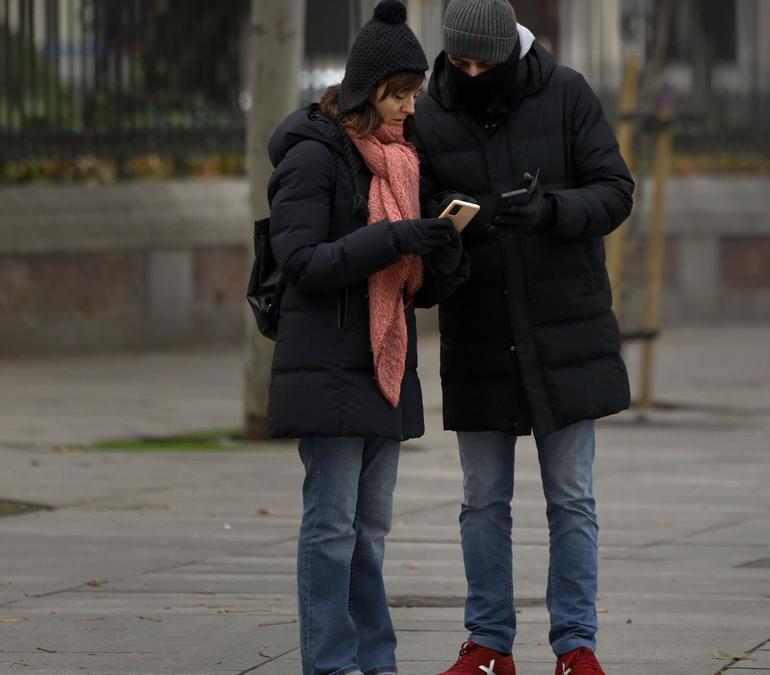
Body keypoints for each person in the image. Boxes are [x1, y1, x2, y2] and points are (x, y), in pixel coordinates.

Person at [411, 1, 636, 674]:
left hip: (564, 331)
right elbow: (418, 206)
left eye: (487, 62)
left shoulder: (566, 93)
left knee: (572, 497)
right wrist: (453, 226)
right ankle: (488, 642)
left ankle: (576, 645)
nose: (474, 74)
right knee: (482, 500)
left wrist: (550, 211)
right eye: (461, 62)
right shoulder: (429, 111)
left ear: (511, 50)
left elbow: (615, 190)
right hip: (478, 332)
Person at [265, 2, 469, 674]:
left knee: (371, 532)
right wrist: (392, 239)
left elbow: (413, 286)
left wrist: (441, 252)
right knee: (332, 528)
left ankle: (375, 660)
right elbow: (302, 262)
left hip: (385, 367)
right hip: (327, 367)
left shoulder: (403, 162)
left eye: (414, 93)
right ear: (367, 90)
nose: (411, 107)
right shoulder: (312, 155)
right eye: (400, 94)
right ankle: (332, 662)